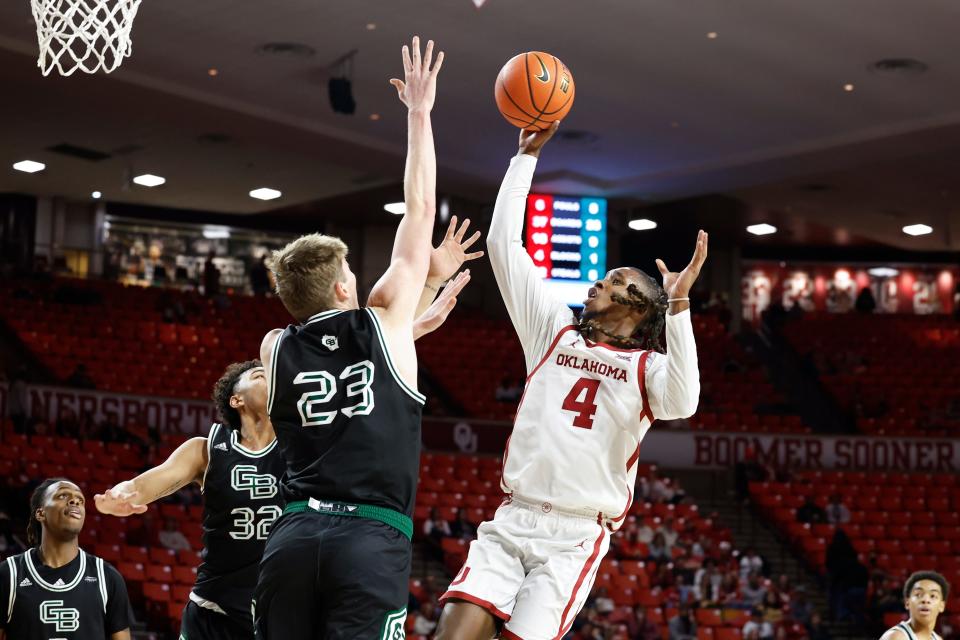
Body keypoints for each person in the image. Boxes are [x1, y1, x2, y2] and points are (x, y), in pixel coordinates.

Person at [435, 124, 703, 639]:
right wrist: (524, 158)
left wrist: (681, 305)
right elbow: (502, 244)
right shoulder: (554, 332)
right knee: (453, 632)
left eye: (618, 279)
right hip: (513, 518)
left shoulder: (647, 369)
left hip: (576, 534)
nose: (600, 280)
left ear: (643, 306)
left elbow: (685, 401)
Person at [254, 37, 481, 640]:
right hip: (369, 538)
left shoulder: (274, 348)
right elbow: (421, 205)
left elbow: (339, 363)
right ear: (338, 291)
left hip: (294, 537)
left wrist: (415, 324)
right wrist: (419, 112)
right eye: (351, 274)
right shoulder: (382, 317)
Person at [0, 478, 133, 640]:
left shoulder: (107, 577)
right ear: (40, 513)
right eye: (63, 496)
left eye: (80, 500)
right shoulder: (9, 574)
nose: (75, 501)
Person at [879, 571, 950, 640]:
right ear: (907, 602)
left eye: (933, 596)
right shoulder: (896, 637)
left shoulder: (938, 638)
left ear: (942, 606)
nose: (926, 600)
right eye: (918, 595)